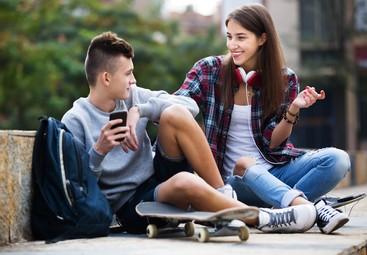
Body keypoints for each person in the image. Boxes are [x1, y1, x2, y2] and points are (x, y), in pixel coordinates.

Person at [61, 31, 318, 235]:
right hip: (130, 206)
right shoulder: (76, 120)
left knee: (173, 113)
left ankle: (221, 192)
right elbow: (77, 190)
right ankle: (265, 218)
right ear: (106, 78)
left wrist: (141, 110)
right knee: (185, 181)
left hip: (156, 176)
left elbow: (188, 106)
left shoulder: (134, 97)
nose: (134, 80)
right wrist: (99, 151)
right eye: (128, 74)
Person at [174, 4, 351, 234]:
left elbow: (273, 144)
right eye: (229, 37)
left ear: (261, 39)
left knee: (338, 159)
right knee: (246, 163)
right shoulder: (209, 70)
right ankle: (312, 209)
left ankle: (279, 211)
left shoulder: (285, 79)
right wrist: (144, 107)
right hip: (232, 182)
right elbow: (177, 104)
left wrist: (294, 109)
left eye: (241, 37)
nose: (232, 45)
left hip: (274, 171)